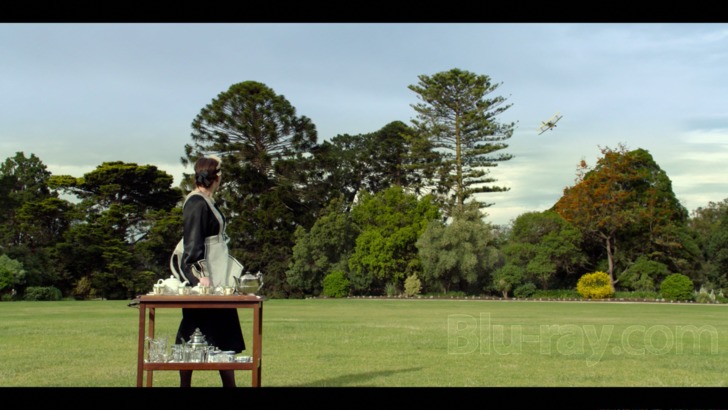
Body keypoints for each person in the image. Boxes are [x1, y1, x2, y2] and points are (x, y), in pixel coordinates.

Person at [174, 155, 245, 388]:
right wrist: (200, 276)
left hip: (218, 277)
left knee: (224, 333)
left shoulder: (207, 200)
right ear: (218, 177)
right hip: (206, 280)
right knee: (194, 332)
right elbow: (192, 243)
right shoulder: (196, 203)